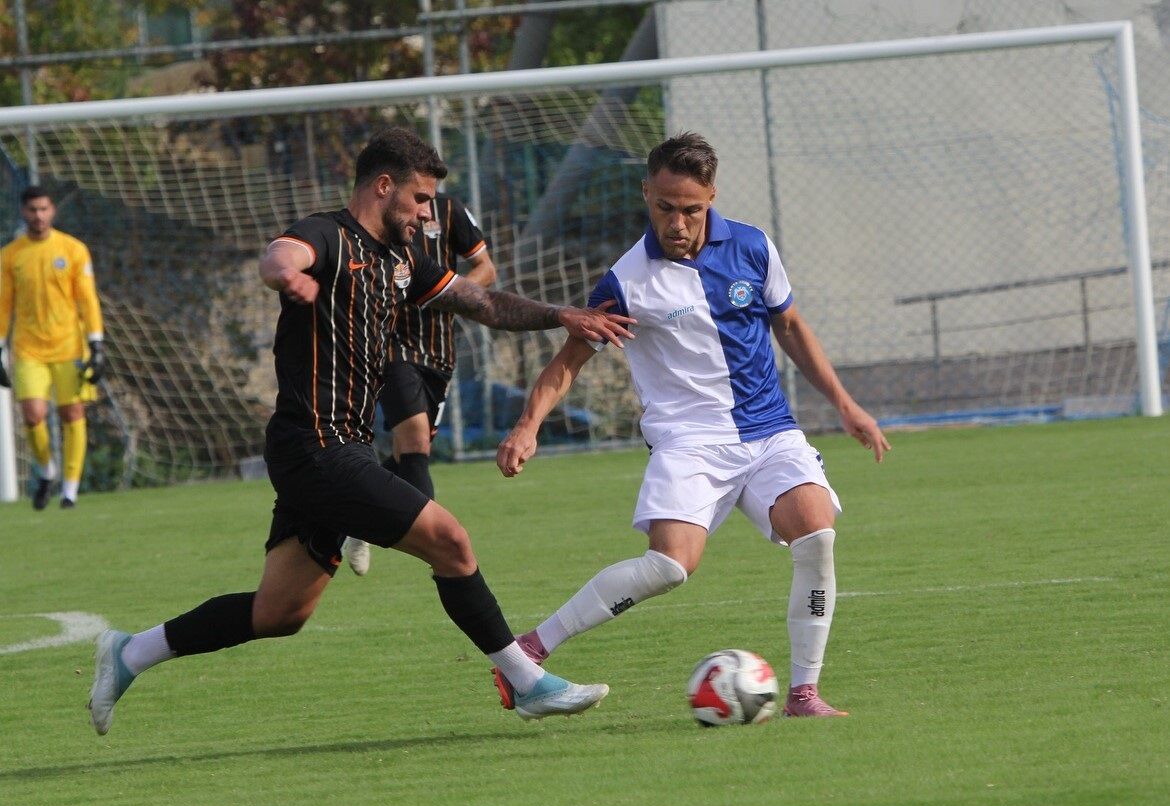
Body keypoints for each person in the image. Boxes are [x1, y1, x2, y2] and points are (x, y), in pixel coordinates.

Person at [87, 127, 635, 735]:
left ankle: (128, 654)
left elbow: (482, 304)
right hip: (314, 447)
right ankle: (521, 677)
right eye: (421, 198)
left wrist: (562, 314)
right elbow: (280, 255)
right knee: (450, 540)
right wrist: (285, 277)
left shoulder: (401, 259)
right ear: (383, 186)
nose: (430, 213)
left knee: (280, 611)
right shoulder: (328, 234)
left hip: (336, 447)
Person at [494, 132, 890, 718]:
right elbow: (566, 364)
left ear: (711, 199)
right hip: (690, 442)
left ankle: (805, 692)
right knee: (670, 566)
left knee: (817, 533)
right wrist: (528, 426)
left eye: (691, 210)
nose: (677, 223)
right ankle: (530, 649)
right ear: (646, 193)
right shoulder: (628, 281)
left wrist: (844, 404)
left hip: (769, 430)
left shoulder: (753, 247)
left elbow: (791, 326)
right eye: (664, 207)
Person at [342, 192, 497, 576]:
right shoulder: (375, 217)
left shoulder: (449, 209)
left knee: (415, 449)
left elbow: (485, 269)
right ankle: (438, 546)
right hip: (390, 346)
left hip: (439, 351)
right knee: (413, 440)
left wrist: (445, 293)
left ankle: (354, 518)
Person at [0, 186, 105, 510]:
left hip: (69, 346)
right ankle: (47, 469)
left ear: (53, 211)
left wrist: (96, 343)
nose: (39, 215)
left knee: (72, 412)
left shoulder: (73, 250)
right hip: (29, 348)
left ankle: (70, 491)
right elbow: (3, 305)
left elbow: (87, 300)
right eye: (32, 209)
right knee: (33, 415)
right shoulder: (11, 255)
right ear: (23, 212)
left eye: (44, 209)